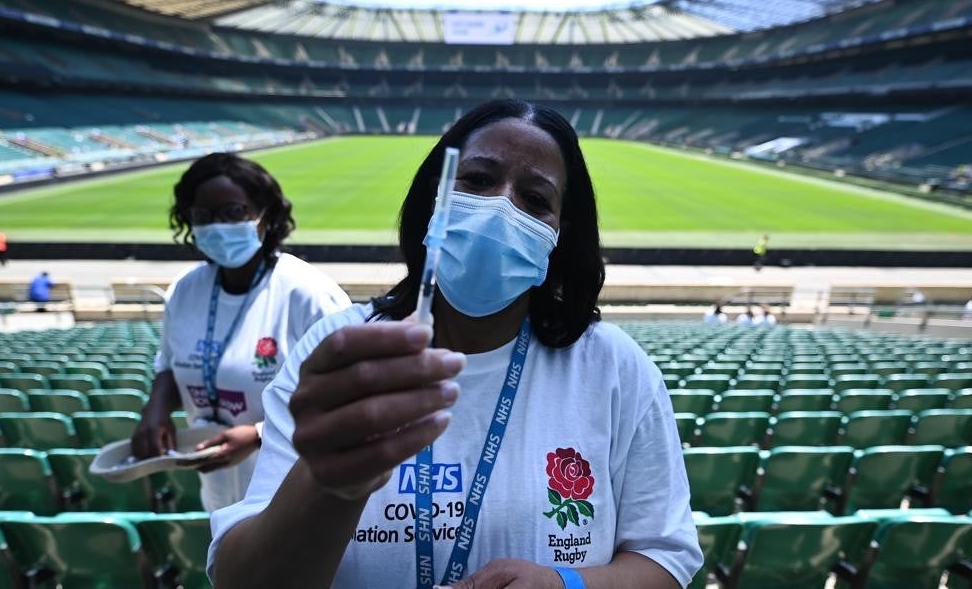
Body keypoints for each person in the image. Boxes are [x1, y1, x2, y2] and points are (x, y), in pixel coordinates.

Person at [209, 100, 701, 588]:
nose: (501, 207)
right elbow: (240, 580)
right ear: (436, 199)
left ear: (558, 233)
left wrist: (563, 584)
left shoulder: (613, 368)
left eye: (535, 198)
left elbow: (665, 557)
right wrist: (327, 481)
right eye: (479, 180)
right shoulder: (343, 349)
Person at [130, 152, 351, 513]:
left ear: (265, 216)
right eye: (202, 216)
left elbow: (348, 392)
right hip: (217, 490)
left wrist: (259, 435)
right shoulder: (185, 291)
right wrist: (154, 410)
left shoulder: (308, 294)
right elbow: (168, 364)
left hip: (297, 492)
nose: (217, 226)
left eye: (233, 212)